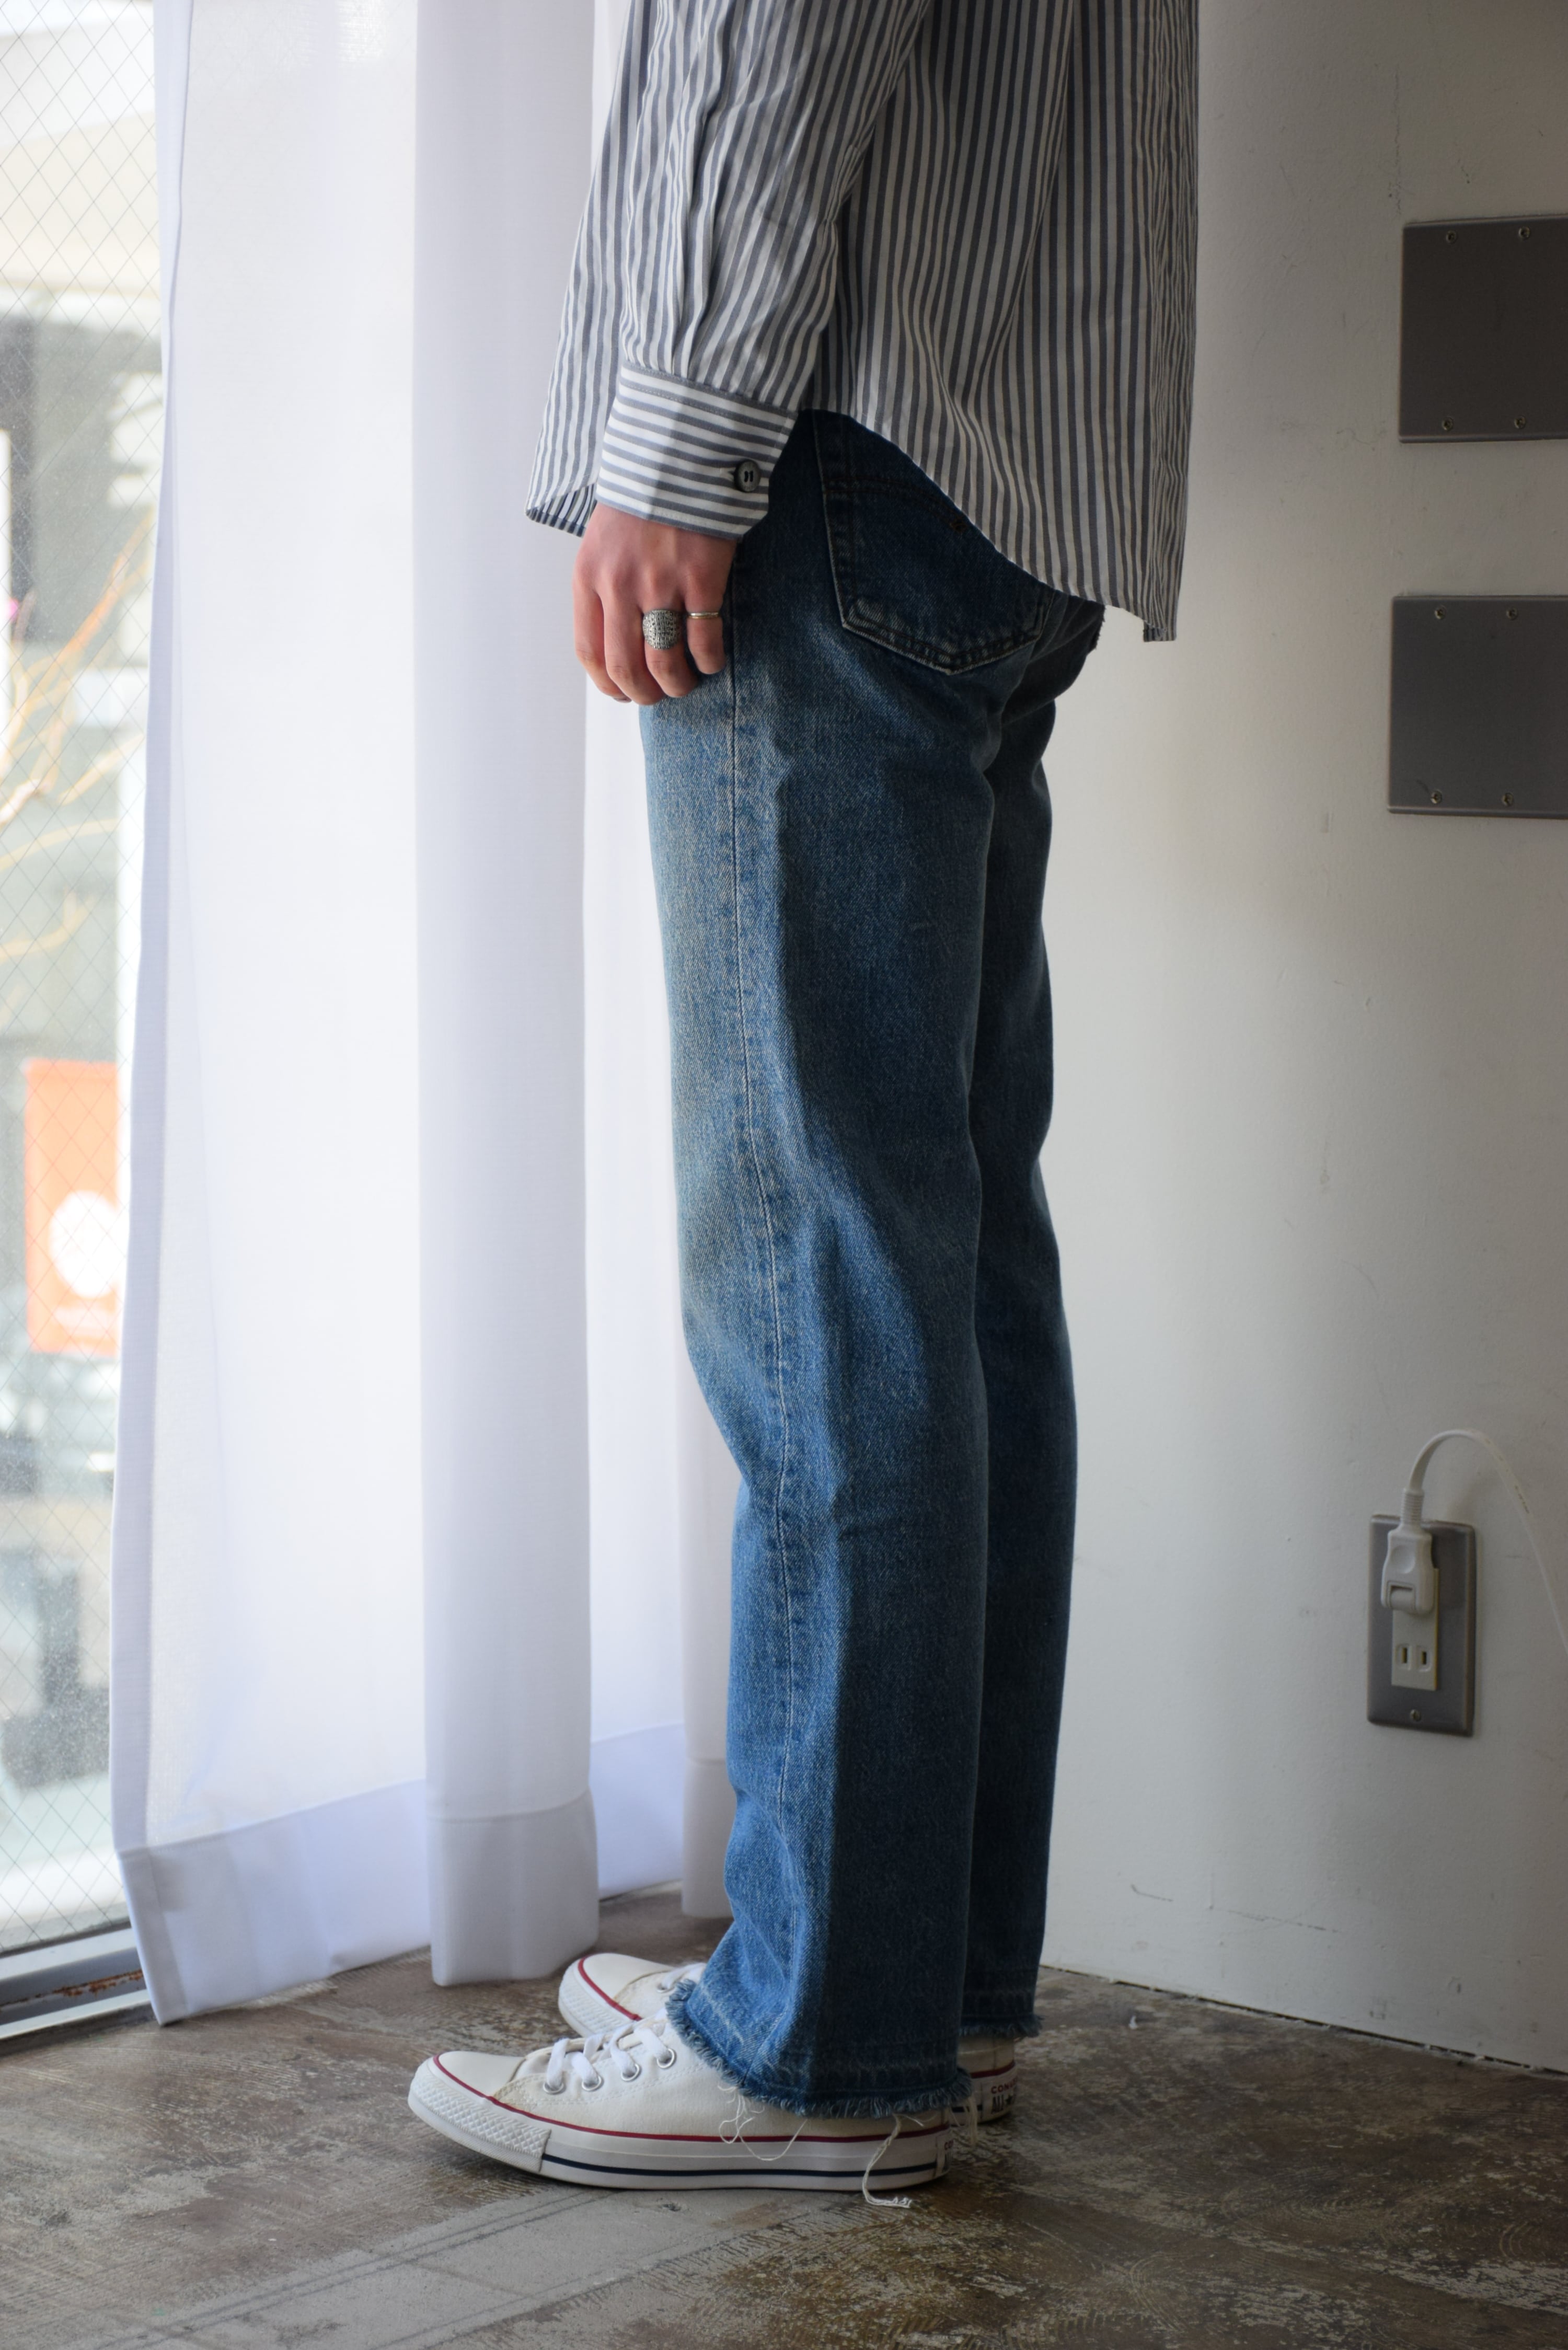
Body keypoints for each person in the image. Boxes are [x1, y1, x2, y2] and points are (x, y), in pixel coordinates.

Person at [410, 0, 1197, 2198]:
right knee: (952, 1259)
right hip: (1007, 458)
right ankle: (923, 1976)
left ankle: (821, 2039)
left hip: (830, 439)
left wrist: (680, 436)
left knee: (822, 1259)